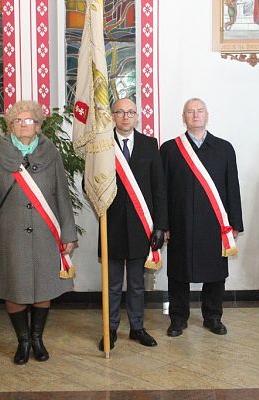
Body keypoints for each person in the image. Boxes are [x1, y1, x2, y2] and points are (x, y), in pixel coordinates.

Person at [0, 100, 78, 364]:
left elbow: (62, 196)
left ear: (38, 125)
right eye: (18, 121)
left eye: (29, 120)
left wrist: (67, 233)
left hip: (46, 233)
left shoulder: (51, 152)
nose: (24, 124)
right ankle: (22, 341)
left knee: (43, 289)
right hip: (9, 235)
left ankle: (37, 339)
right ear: (10, 125)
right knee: (15, 289)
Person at [160, 98, 243, 337]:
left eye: (199, 111)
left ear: (207, 115)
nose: (195, 115)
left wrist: (234, 223)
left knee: (216, 273)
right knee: (178, 272)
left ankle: (213, 317)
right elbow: (162, 191)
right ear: (183, 117)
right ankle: (177, 319)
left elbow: (232, 188)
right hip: (180, 223)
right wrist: (163, 224)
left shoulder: (224, 148)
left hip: (215, 225)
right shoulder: (169, 149)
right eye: (190, 112)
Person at [96, 98, 167, 351]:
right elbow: (88, 183)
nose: (125, 117)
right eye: (120, 112)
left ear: (137, 116)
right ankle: (111, 328)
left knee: (137, 284)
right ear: (113, 116)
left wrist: (160, 226)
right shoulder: (101, 145)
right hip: (111, 227)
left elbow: (159, 188)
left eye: (130, 112)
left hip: (141, 227)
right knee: (113, 284)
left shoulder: (150, 145)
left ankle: (137, 327)